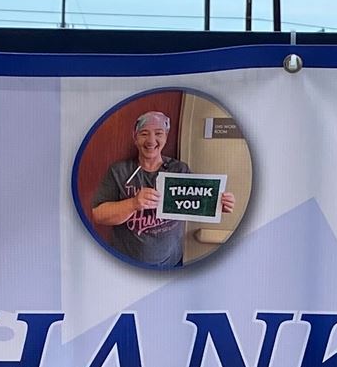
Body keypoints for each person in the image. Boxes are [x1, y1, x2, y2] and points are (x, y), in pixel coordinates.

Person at [87, 108, 235, 270]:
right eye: (144, 133)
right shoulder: (119, 171)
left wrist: (218, 204)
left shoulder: (179, 170)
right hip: (125, 264)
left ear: (166, 137)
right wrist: (133, 204)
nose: (151, 140)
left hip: (171, 263)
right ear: (135, 138)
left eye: (158, 133)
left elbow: (197, 202)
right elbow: (98, 215)